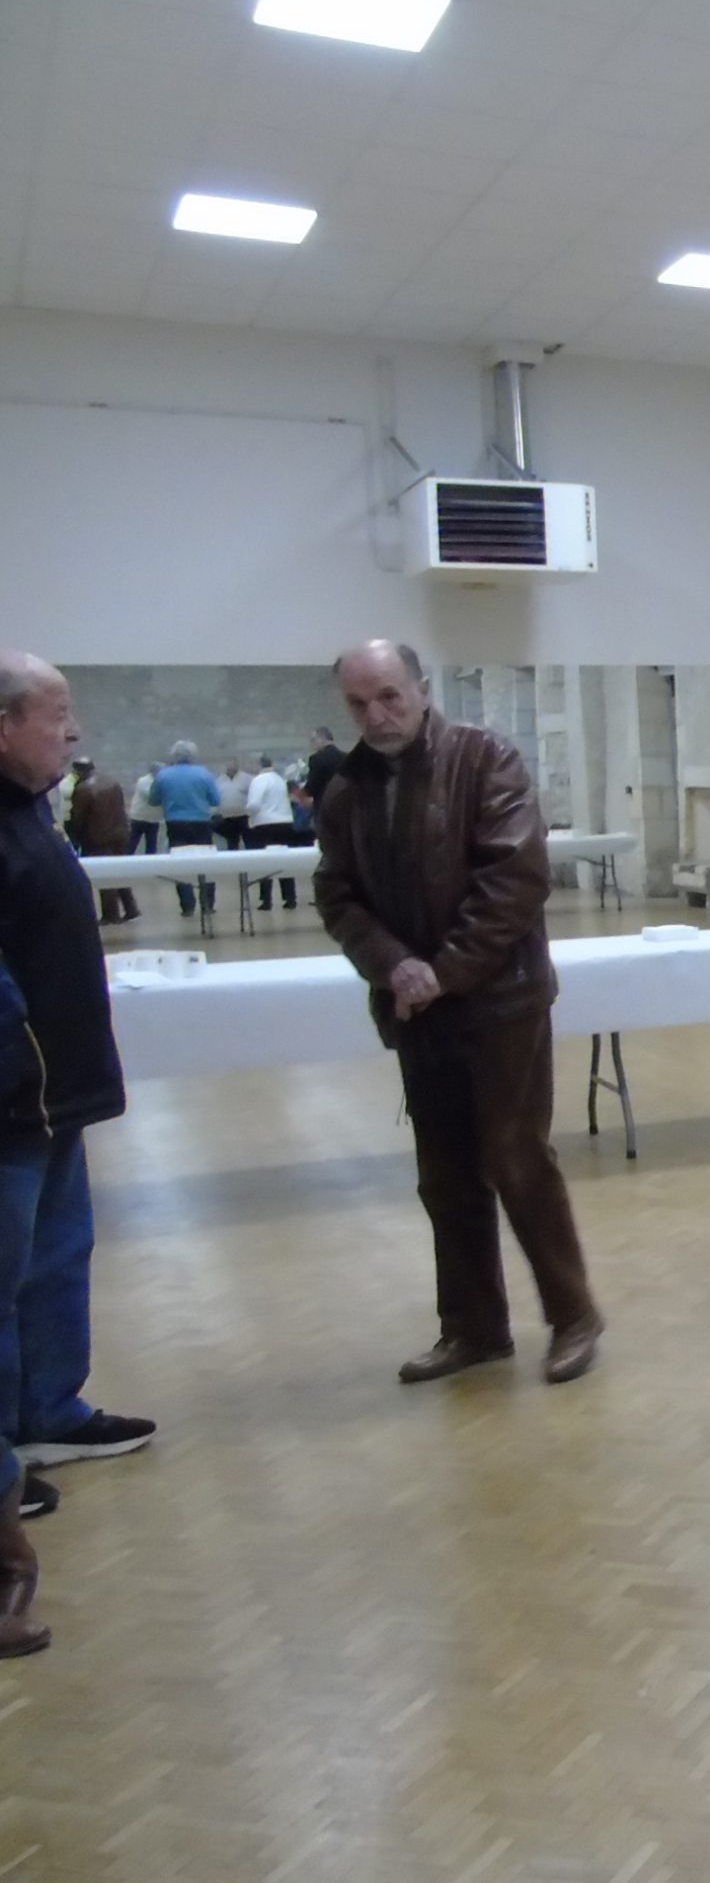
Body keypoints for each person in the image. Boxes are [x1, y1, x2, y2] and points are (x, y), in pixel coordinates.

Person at [313, 641, 605, 1385]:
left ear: (421, 688)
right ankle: (473, 1328)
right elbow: (338, 895)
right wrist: (394, 966)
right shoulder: (346, 791)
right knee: (444, 1174)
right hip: (417, 1008)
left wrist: (441, 973)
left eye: (389, 695)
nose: (376, 715)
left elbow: (515, 878)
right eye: (358, 703)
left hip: (501, 1001)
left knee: (515, 1159)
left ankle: (574, 1315)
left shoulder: (484, 759)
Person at [0, 654, 165, 1657]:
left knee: (58, 1259)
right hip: (14, 1101)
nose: (73, 731)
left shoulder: (30, 809)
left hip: (55, 1097)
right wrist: (25, 1070)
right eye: (56, 715)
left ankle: (48, 1409)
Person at [64, 759, 137, 926]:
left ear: (77, 771)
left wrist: (75, 835)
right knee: (120, 872)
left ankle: (111, 915)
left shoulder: (83, 789)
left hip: (98, 838)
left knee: (106, 876)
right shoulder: (111, 782)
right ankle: (131, 908)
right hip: (121, 834)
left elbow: (78, 818)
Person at [154, 740, 221, 919]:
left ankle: (187, 905)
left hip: (175, 823)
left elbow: (153, 799)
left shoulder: (163, 775)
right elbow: (215, 800)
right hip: (201, 823)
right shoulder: (204, 774)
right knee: (206, 862)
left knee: (180, 863)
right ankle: (207, 904)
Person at [244, 753, 297, 911]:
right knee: (284, 863)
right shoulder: (279, 779)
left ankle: (266, 900)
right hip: (285, 822)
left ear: (258, 765)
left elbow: (254, 804)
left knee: (265, 863)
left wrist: (246, 812)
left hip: (265, 824)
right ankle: (290, 898)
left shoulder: (259, 780)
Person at [212, 757, 251, 851]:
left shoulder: (247, 779)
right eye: (228, 765)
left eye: (233, 764)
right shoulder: (219, 781)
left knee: (249, 840)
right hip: (227, 818)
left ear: (237, 766)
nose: (231, 767)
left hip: (244, 816)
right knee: (232, 842)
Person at [128, 764, 161, 857]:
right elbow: (151, 796)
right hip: (139, 817)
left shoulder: (161, 781)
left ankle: (150, 864)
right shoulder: (144, 781)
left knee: (151, 846)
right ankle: (126, 860)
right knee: (132, 843)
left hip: (153, 819)